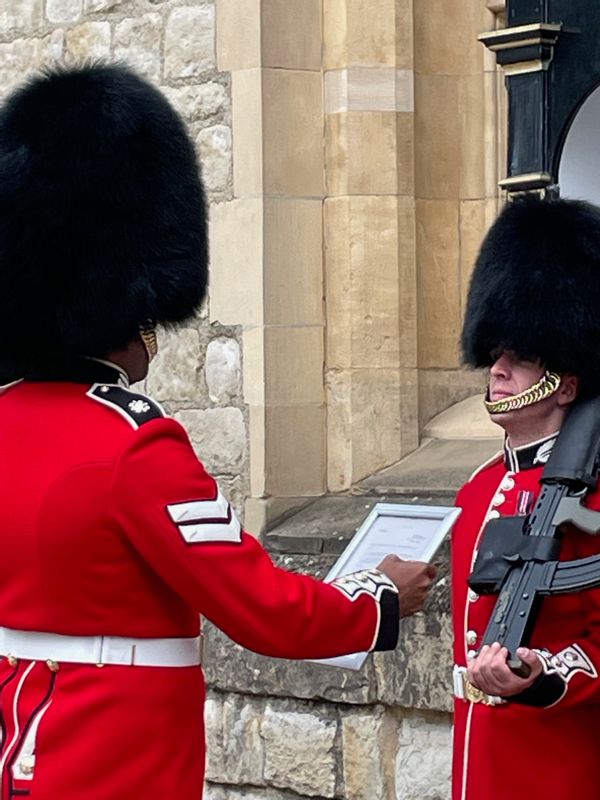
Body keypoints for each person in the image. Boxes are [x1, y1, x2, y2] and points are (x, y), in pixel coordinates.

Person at [0, 64, 436, 799]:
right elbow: (260, 609)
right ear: (128, 303)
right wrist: (380, 598)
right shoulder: (133, 441)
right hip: (112, 767)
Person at [452, 196, 600, 800]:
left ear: (564, 384)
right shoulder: (479, 488)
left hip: (556, 762)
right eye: (496, 355)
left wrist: (542, 675)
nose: (498, 370)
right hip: (479, 755)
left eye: (520, 357)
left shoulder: (592, 497)